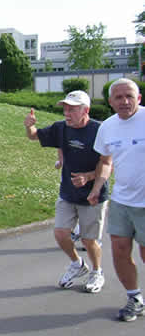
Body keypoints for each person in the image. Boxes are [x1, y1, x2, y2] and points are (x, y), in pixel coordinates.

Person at [23, 90, 108, 293]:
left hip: (93, 195)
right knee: (61, 234)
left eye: (72, 109)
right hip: (68, 192)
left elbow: (107, 163)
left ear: (85, 110)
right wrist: (29, 126)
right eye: (65, 109)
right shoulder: (61, 128)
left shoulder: (100, 130)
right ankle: (77, 265)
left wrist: (88, 179)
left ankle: (97, 271)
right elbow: (34, 136)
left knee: (88, 240)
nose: (67, 113)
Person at [89, 78, 145, 321]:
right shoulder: (107, 128)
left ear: (139, 98)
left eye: (129, 96)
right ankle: (134, 298)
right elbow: (106, 162)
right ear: (110, 102)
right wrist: (97, 187)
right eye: (119, 97)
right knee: (120, 250)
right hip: (122, 200)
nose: (125, 101)